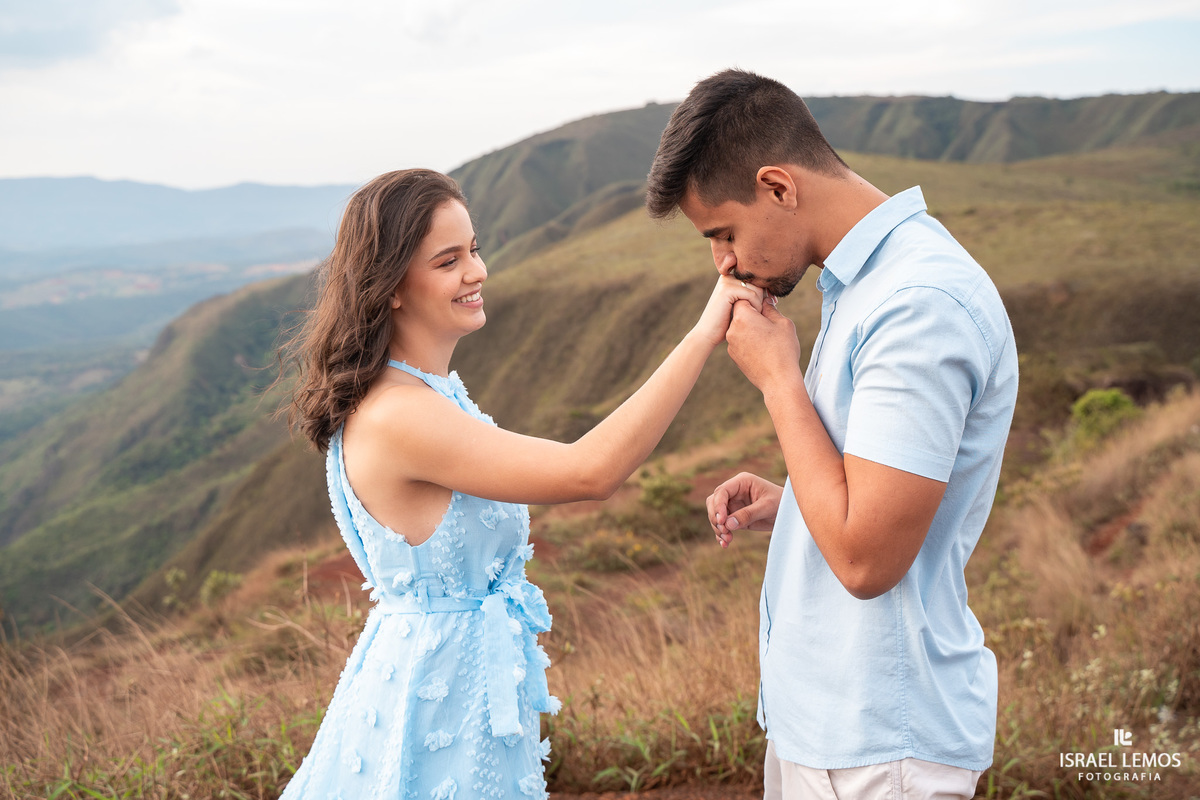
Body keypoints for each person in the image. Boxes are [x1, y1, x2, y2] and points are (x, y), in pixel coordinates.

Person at [279, 168, 762, 799]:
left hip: (451, 682)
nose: (476, 271)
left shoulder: (422, 394)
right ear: (391, 286)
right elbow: (590, 471)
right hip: (437, 704)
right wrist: (704, 334)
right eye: (448, 260)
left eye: (474, 249)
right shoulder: (403, 414)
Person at [645, 70, 1019, 799]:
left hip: (884, 744)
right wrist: (794, 506)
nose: (722, 263)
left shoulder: (917, 304)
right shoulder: (868, 285)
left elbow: (867, 560)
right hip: (830, 727)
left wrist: (780, 383)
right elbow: (884, 507)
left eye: (723, 232)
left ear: (779, 187)